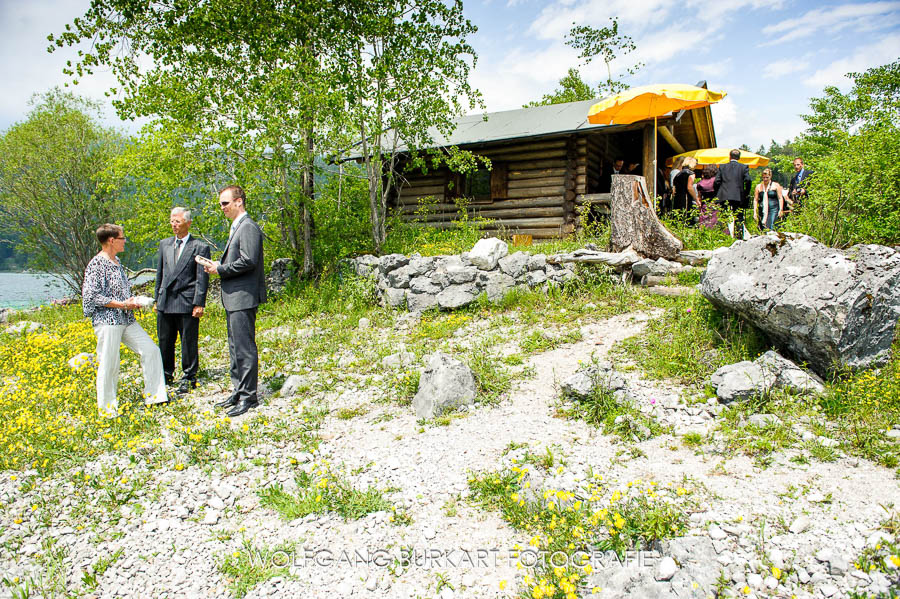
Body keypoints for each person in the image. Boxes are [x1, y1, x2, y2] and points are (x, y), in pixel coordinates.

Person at [82, 224, 168, 418]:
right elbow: (91, 296)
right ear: (111, 240)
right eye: (122, 238)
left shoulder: (117, 261)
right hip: (107, 320)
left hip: (126, 319)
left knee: (151, 350)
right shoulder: (97, 264)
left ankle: (155, 397)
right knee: (109, 363)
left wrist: (133, 301)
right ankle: (107, 410)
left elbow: (122, 291)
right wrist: (122, 304)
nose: (125, 241)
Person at [203, 185, 266, 418]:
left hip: (243, 296)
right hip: (234, 297)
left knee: (244, 347)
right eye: (221, 204)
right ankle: (239, 391)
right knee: (234, 347)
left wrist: (220, 269)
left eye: (225, 203)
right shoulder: (238, 226)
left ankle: (249, 396)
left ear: (239, 202)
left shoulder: (248, 227)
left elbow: (248, 260)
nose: (222, 208)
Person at [155, 207, 211, 394]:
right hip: (166, 300)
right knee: (164, 340)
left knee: (188, 341)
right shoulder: (165, 244)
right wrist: (157, 299)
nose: (174, 225)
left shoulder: (199, 247)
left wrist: (199, 303)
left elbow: (202, 278)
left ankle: (189, 376)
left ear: (188, 223)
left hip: (187, 301)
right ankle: (165, 373)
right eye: (172, 221)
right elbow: (160, 274)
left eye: (177, 221)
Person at [714, 149, 752, 238]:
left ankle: (723, 236)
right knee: (739, 216)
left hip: (724, 195)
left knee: (723, 216)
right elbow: (748, 180)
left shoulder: (722, 167)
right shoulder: (744, 167)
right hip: (738, 195)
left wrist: (718, 193)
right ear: (739, 157)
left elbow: (717, 181)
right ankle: (738, 237)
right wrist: (746, 192)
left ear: (729, 156)